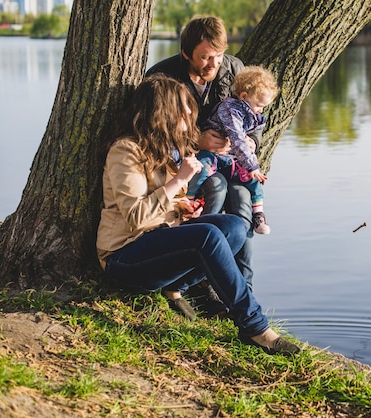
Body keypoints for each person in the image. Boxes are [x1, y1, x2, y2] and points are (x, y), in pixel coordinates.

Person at [96, 74, 300, 355]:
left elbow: (169, 203)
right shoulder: (125, 151)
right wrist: (179, 181)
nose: (189, 123)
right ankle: (255, 327)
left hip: (159, 243)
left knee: (234, 227)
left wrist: (185, 208)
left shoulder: (166, 149)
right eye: (184, 115)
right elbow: (136, 217)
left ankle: (175, 287)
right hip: (124, 257)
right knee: (208, 236)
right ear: (163, 115)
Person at [146, 15, 257, 289]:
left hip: (231, 162)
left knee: (243, 204)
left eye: (219, 55)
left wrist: (252, 141)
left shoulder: (235, 68)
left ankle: (243, 288)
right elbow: (154, 132)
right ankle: (200, 281)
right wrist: (197, 140)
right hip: (189, 165)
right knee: (216, 188)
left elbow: (253, 114)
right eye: (206, 57)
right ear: (186, 53)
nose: (214, 64)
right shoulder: (162, 77)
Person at [187, 65, 278, 235]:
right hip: (212, 153)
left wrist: (252, 144)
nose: (261, 110)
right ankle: (189, 201)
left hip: (230, 157)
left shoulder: (252, 112)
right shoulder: (230, 108)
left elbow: (248, 136)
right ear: (243, 96)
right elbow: (236, 137)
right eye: (259, 105)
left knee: (253, 180)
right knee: (201, 171)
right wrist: (252, 165)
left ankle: (258, 213)